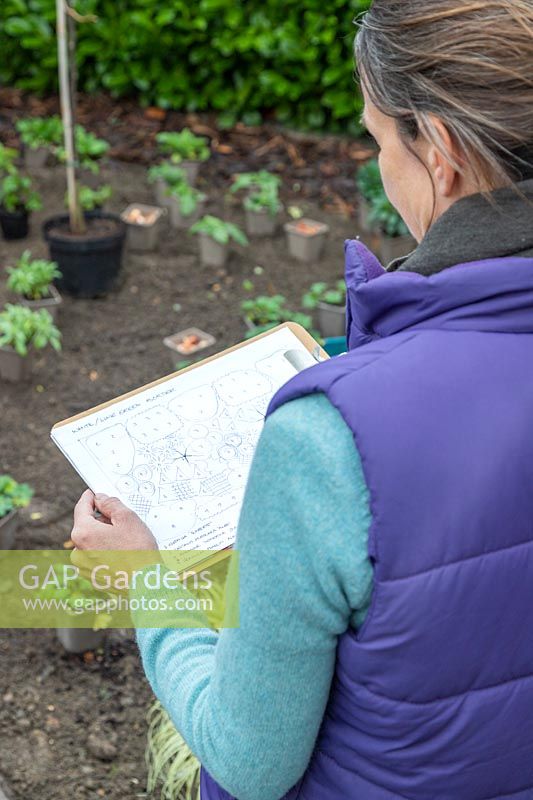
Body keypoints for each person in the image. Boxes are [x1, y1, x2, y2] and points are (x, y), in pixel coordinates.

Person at [71, 1, 533, 798]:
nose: (380, 166)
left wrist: (148, 582)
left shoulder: (328, 441)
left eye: (378, 139)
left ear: (442, 151)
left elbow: (250, 760)